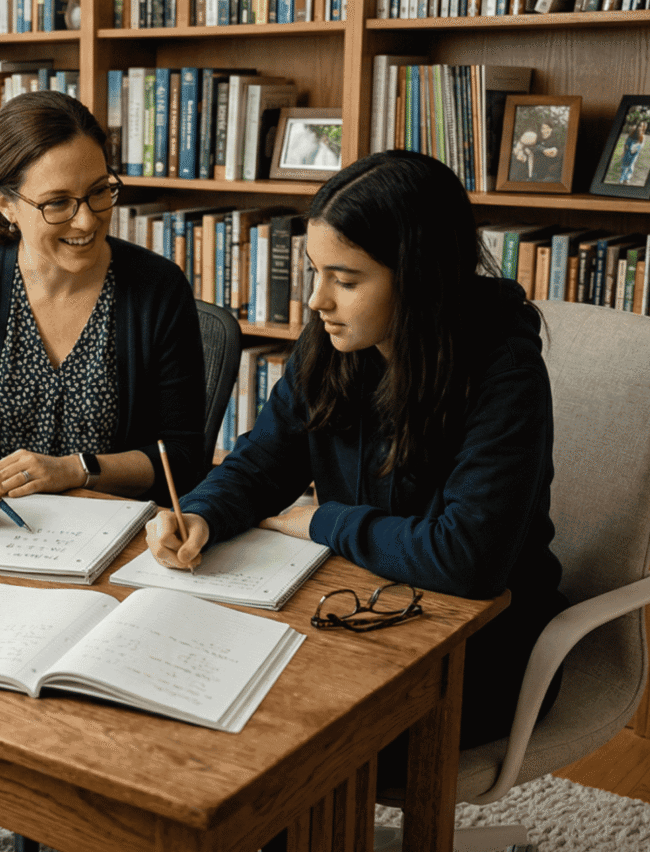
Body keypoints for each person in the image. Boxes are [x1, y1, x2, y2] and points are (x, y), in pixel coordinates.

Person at [145, 149, 568, 785]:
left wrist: (324, 521)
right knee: (196, 696)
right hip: (358, 607)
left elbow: (469, 561)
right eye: (317, 273)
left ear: (419, 277)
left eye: (346, 279)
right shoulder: (338, 343)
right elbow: (264, 463)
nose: (317, 300)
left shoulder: (505, 373)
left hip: (479, 648)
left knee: (277, 747)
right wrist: (202, 512)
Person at [0, 89, 207, 852]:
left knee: (69, 788)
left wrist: (77, 469)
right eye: (58, 202)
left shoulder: (155, 290)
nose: (86, 220)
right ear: (5, 201)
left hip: (114, 573)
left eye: (100, 192)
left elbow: (181, 457)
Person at [617, 120, 647, 185]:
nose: (639, 127)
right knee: (624, 165)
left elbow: (640, 146)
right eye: (639, 125)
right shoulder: (632, 134)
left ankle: (627, 179)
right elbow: (627, 143)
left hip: (634, 153)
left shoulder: (642, 137)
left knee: (630, 165)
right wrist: (625, 150)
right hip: (628, 152)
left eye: (641, 126)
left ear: (643, 128)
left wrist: (633, 150)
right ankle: (621, 179)